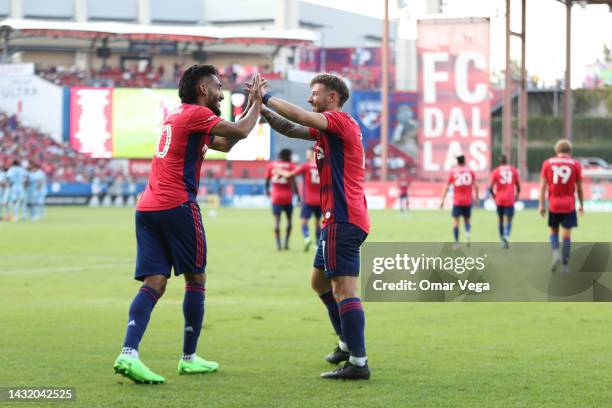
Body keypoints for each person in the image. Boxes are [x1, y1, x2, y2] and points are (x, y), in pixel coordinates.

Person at [113, 65, 264, 384]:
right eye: (219, 87)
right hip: (177, 205)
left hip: (147, 207)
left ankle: (129, 353)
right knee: (196, 278)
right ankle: (189, 358)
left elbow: (224, 145)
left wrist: (248, 109)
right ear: (203, 90)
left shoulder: (177, 115)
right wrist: (257, 103)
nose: (223, 93)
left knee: (154, 282)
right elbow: (240, 132)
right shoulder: (196, 114)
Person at [251, 73, 371, 380]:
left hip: (342, 219)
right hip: (342, 219)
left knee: (345, 290)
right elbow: (290, 126)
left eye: (314, 93)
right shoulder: (328, 130)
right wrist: (261, 110)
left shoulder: (339, 122)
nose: (309, 98)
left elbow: (300, 116)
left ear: (332, 98)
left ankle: (358, 363)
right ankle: (346, 343)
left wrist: (266, 97)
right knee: (319, 283)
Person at [538, 139, 584, 273]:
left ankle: (556, 253)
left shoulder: (547, 163)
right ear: (569, 151)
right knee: (567, 236)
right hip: (569, 205)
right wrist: (581, 204)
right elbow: (580, 188)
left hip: (553, 204)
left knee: (553, 232)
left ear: (556, 151)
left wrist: (541, 205)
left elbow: (542, 187)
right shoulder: (575, 164)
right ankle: (565, 266)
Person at [440, 155, 479, 248]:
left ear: (457, 162)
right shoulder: (470, 172)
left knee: (456, 222)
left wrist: (442, 200)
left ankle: (456, 242)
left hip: (457, 201)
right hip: (467, 201)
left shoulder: (453, 172)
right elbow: (476, 186)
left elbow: (446, 186)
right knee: (467, 220)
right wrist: (477, 198)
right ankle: (467, 234)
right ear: (464, 161)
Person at [265, 148, 299, 250]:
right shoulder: (291, 166)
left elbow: (267, 181)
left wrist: (267, 191)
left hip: (276, 196)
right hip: (288, 196)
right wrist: (298, 196)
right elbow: (293, 183)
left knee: (276, 221)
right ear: (288, 155)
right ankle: (286, 243)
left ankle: (278, 244)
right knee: (289, 220)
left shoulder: (272, 165)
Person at [289, 149, 321, 251]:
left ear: (311, 154)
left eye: (307, 152)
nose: (306, 154)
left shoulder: (306, 165)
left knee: (303, 221)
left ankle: (307, 237)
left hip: (308, 200)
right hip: (320, 200)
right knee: (317, 222)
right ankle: (317, 244)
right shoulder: (322, 166)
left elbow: (292, 174)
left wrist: (281, 172)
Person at [488, 155, 520, 249]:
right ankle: (506, 236)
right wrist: (517, 195)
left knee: (500, 219)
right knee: (509, 219)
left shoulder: (496, 171)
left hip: (499, 199)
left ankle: (502, 240)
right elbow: (518, 186)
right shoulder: (513, 170)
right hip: (510, 199)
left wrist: (494, 196)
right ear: (507, 161)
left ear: (500, 162)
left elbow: (490, 188)